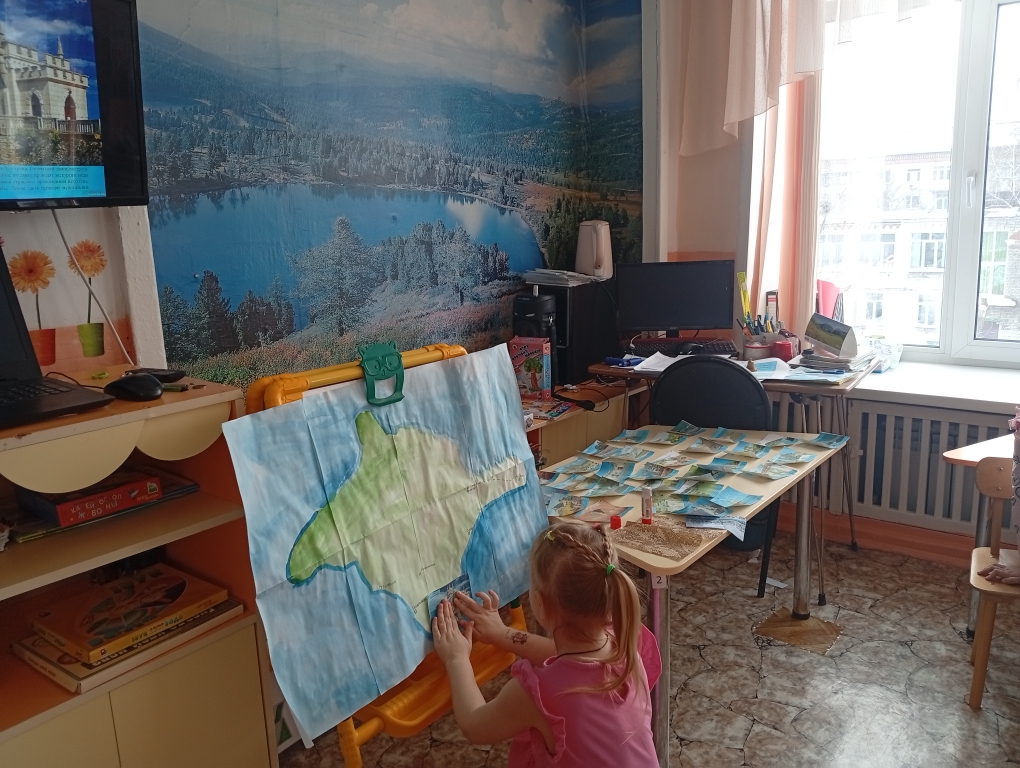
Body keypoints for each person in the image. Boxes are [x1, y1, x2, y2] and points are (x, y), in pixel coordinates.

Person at [431, 519, 661, 766]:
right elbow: (567, 661)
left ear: (539, 604)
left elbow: (475, 725)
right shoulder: (625, 647)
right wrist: (503, 634)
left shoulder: (539, 693)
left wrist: (456, 658)